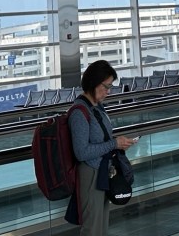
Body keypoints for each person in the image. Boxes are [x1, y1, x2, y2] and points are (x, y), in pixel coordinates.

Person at [67, 59, 138, 235]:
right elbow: (81, 152)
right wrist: (114, 143)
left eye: (110, 86)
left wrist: (118, 145)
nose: (108, 91)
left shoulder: (97, 107)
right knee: (92, 228)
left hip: (102, 172)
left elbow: (101, 139)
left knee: (101, 227)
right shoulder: (79, 112)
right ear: (93, 83)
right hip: (90, 174)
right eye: (106, 86)